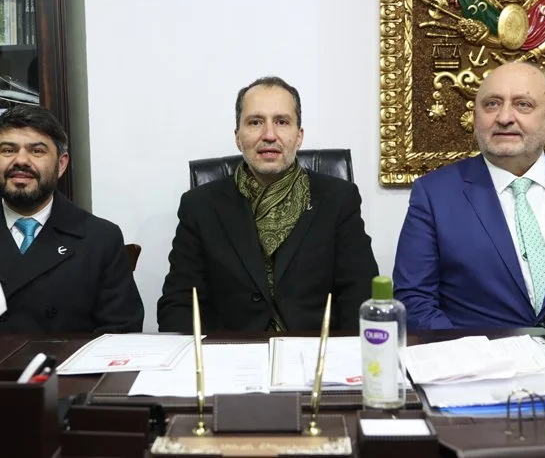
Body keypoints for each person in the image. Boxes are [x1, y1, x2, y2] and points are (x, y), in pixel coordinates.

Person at [394, 62, 545, 329]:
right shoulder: (434, 194)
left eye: (523, 105)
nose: (504, 117)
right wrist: (468, 352)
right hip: (477, 353)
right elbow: (415, 301)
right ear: (475, 118)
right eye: (492, 104)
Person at [157, 76, 379, 332]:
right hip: (229, 351)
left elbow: (361, 295)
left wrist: (348, 353)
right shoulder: (200, 206)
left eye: (282, 122)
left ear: (299, 136)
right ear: (238, 137)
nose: (270, 135)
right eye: (255, 122)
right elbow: (179, 303)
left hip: (315, 350)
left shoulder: (338, 199)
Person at [0, 104, 144, 333]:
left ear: (61, 164)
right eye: (8, 150)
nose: (21, 160)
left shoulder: (101, 239)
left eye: (37, 151)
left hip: (69, 358)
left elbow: (121, 333)